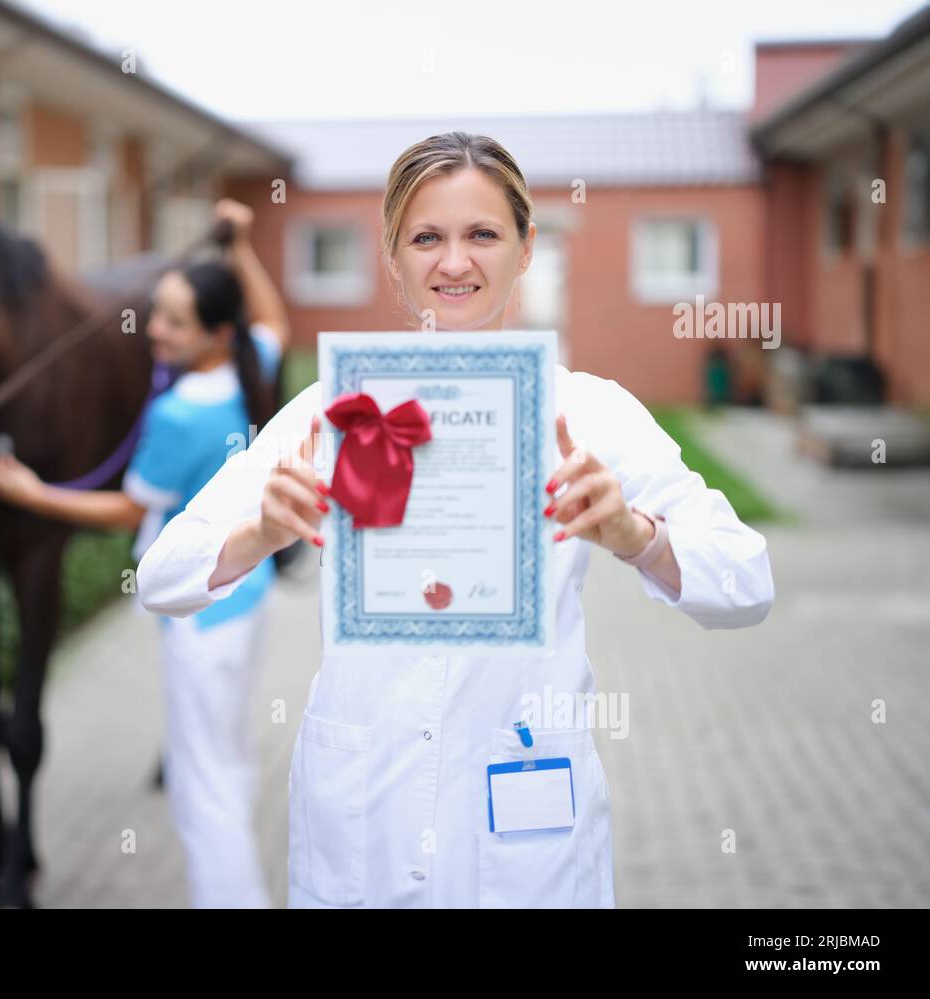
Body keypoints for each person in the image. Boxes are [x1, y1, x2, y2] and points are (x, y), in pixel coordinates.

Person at [134, 132, 775, 908]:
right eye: (427, 237)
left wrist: (636, 537)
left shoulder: (589, 412)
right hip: (365, 813)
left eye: (483, 234)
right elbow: (162, 577)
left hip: (528, 822)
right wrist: (260, 535)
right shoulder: (331, 411)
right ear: (392, 255)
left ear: (527, 246)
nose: (455, 262)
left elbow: (747, 583)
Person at [0, 198, 290, 907]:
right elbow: (271, 317)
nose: (151, 330)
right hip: (250, 593)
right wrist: (243, 246)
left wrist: (32, 493)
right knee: (231, 759)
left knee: (202, 784)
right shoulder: (250, 366)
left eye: (172, 322)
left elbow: (128, 507)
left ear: (215, 332)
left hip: (199, 613)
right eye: (155, 313)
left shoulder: (180, 411)